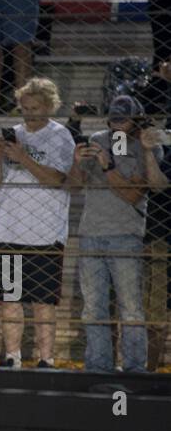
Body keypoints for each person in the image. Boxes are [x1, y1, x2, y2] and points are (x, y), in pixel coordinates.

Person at [68, 96, 166, 372]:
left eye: (123, 119)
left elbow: (134, 195)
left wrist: (108, 165)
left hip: (126, 234)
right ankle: (98, 365)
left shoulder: (146, 146)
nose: (117, 125)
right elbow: (74, 186)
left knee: (131, 306)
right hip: (90, 233)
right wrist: (77, 162)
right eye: (113, 119)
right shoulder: (99, 138)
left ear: (137, 118)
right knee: (93, 307)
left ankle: (134, 367)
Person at [0, 76, 73, 368]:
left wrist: (23, 157)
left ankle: (45, 357)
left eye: (35, 108)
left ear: (49, 107)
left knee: (42, 301)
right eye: (24, 108)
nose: (29, 114)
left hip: (45, 232)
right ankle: (12, 355)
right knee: (9, 299)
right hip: (8, 226)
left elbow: (58, 179)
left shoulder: (60, 136)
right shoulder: (14, 134)